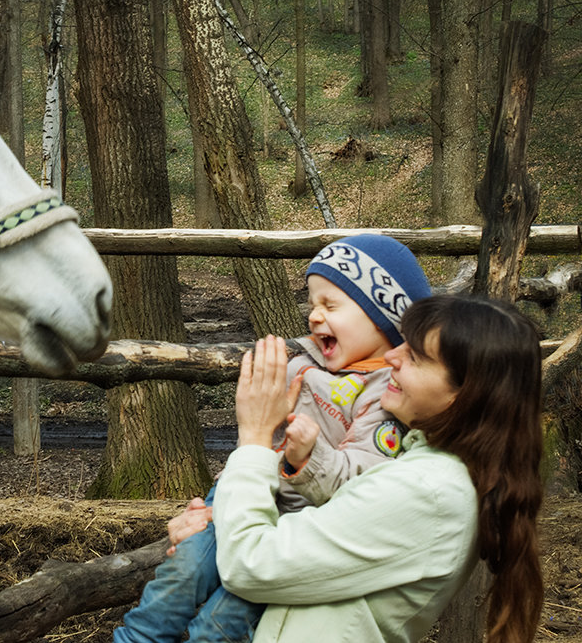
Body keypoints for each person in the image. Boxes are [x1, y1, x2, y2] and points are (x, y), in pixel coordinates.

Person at [168, 294, 544, 643]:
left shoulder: (428, 491)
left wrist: (255, 435)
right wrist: (219, 524)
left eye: (414, 357)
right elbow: (321, 538)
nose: (391, 357)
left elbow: (251, 563)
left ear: (464, 394)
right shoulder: (424, 467)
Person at [114, 234, 432, 643]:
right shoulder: (301, 358)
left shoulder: (387, 393)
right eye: (313, 304)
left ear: (385, 318)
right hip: (240, 495)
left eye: (331, 305)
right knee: (183, 570)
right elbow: (256, 423)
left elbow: (367, 480)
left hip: (294, 527)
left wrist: (310, 456)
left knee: (223, 619)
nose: (315, 316)